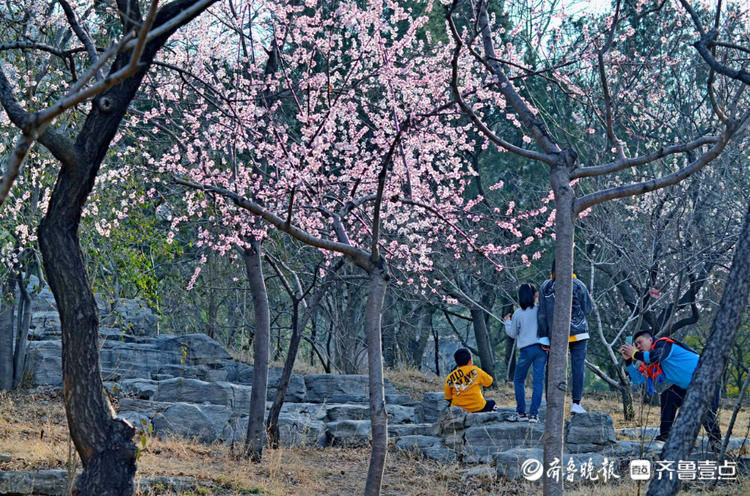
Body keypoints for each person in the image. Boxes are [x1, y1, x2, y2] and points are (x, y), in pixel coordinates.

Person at [620, 330, 722, 451]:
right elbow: (637, 379)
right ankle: (665, 436)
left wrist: (635, 354)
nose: (638, 347)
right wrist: (628, 360)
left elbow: (656, 356)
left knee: (707, 415)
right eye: (635, 345)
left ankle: (718, 448)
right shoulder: (649, 362)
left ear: (650, 340)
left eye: (640, 342)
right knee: (668, 396)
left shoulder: (664, 344)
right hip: (687, 388)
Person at [537, 260, 593, 414]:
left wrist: (543, 336)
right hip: (579, 332)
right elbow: (588, 308)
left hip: (556, 334)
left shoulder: (546, 286)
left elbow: (541, 314)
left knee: (552, 368)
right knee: (578, 367)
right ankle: (576, 403)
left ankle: (551, 401)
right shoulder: (578, 284)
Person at [504, 283, 547, 423]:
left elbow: (512, 334)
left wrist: (507, 322)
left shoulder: (517, 313)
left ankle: (521, 413)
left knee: (518, 380)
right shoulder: (541, 310)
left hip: (526, 350)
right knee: (538, 382)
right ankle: (534, 415)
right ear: (535, 295)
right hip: (542, 348)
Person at [443, 348, 497, 413]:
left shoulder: (449, 377)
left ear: (456, 362)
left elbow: (448, 397)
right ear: (470, 361)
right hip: (478, 407)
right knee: (492, 403)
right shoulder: (476, 370)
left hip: (459, 410)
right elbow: (489, 382)